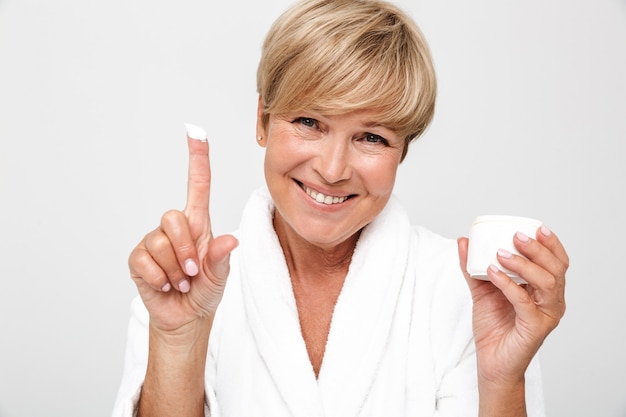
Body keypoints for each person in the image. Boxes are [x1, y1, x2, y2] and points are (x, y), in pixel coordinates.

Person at [112, 0, 568, 416]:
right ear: (262, 121)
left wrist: (503, 382)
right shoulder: (184, 286)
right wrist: (176, 343)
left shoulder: (464, 293)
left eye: (372, 137)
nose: (332, 170)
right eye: (309, 122)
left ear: (402, 152)